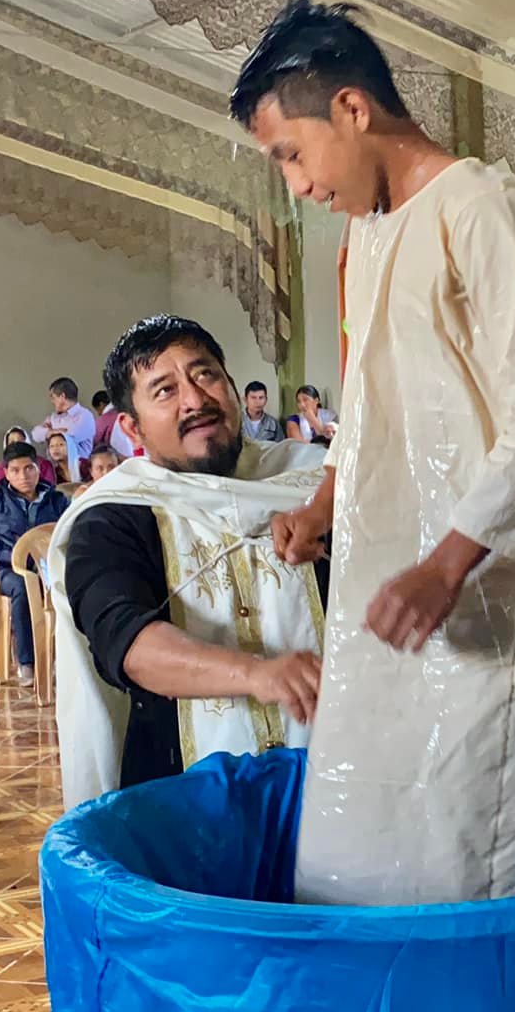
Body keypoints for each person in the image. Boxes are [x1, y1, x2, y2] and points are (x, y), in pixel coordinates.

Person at [239, 0, 515, 905]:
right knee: (354, 840)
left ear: (353, 110)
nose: (299, 186)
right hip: (384, 589)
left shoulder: (485, 211)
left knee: (465, 860)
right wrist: (324, 502)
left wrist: (446, 565)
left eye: (292, 153)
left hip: (474, 599)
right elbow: (366, 399)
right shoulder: (367, 235)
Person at [52, 315, 329, 802]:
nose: (195, 400)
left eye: (206, 375)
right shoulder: (112, 515)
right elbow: (127, 641)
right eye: (164, 390)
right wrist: (256, 674)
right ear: (132, 427)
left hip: (336, 779)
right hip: (182, 798)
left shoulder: (314, 484)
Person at [0, 442, 68, 687]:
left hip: (49, 568)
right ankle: (27, 662)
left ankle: (67, 660)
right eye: (16, 470)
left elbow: (74, 529)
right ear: (6, 472)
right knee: (22, 585)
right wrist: (7, 555)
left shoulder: (56, 498)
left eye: (29, 468)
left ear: (38, 468)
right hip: (6, 569)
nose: (23, 475)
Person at [31, 376, 97, 465]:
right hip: (56, 470)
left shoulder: (85, 416)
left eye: (53, 397)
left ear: (62, 396)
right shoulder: (53, 417)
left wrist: (50, 432)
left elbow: (68, 439)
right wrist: (51, 432)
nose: (52, 401)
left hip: (80, 469)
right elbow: (35, 434)